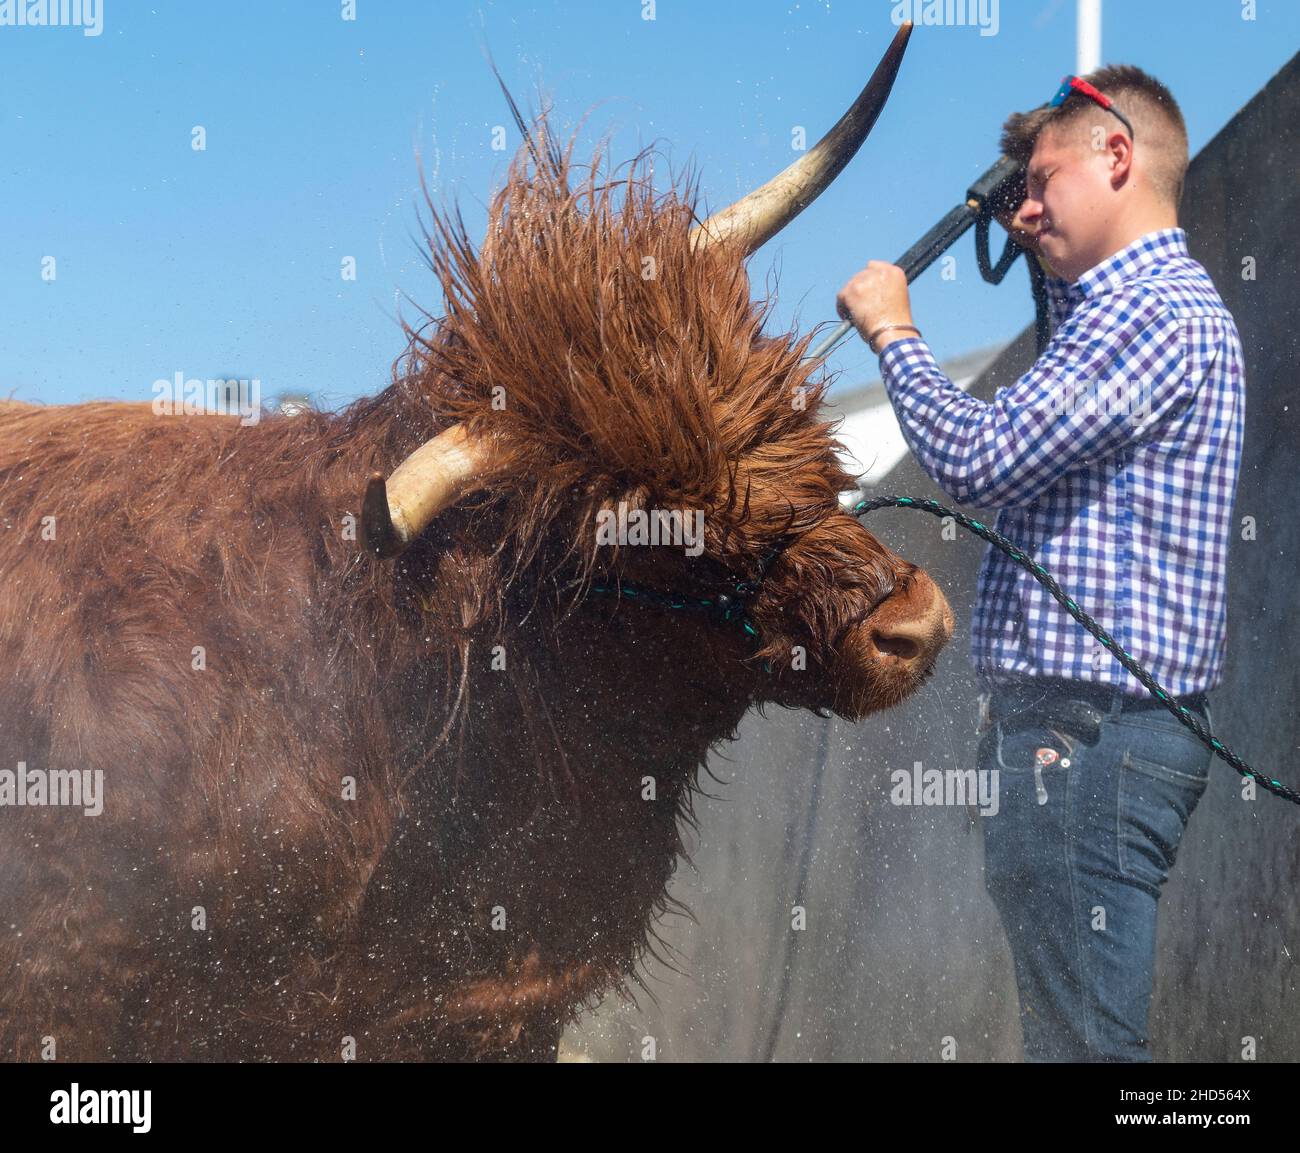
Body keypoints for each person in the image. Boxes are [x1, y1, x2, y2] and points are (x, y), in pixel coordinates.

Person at [835, 65, 1245, 1062]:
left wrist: (893, 330)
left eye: (1039, 179)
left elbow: (977, 458)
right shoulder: (1124, 314)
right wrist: (1031, 214)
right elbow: (1048, 407)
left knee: (1086, 1056)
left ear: (1116, 154)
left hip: (1086, 739)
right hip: (1090, 739)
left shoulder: (1150, 312)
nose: (1020, 208)